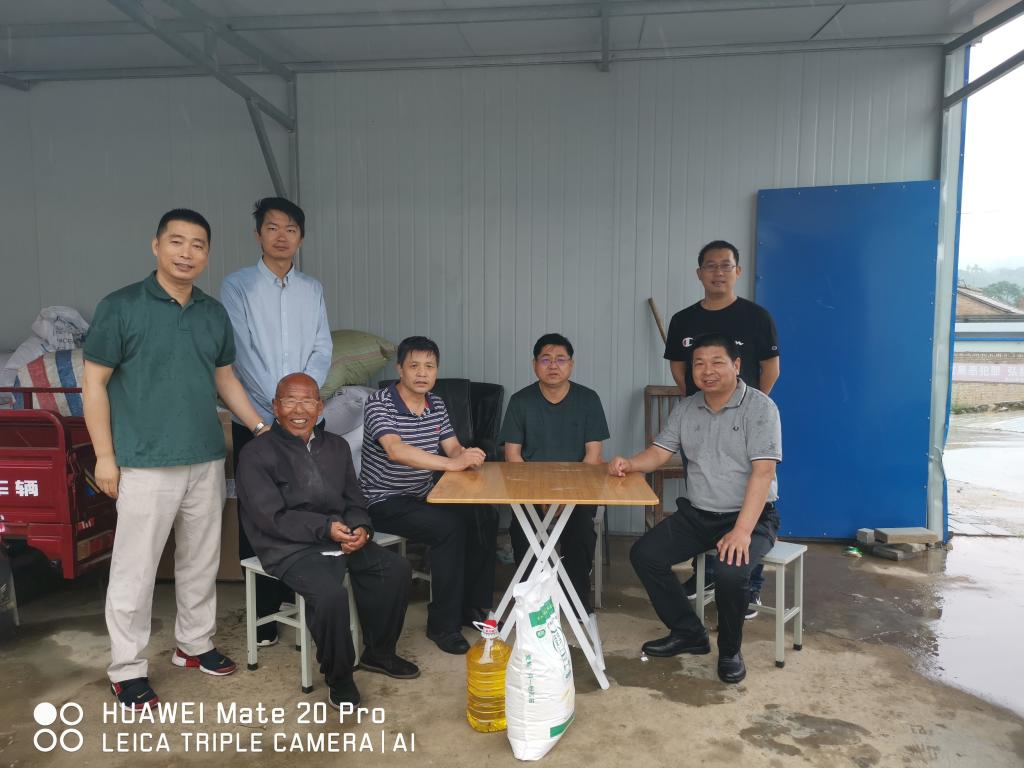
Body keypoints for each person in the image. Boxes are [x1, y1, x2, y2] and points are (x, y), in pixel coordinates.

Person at [82, 209, 269, 710]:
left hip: (205, 457)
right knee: (135, 570)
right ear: (156, 246)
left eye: (198, 244)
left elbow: (225, 378)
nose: (187, 253)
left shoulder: (212, 313)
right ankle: (126, 668)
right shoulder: (121, 307)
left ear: (208, 253)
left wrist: (260, 428)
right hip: (144, 462)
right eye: (177, 241)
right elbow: (94, 384)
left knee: (200, 560)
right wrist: (105, 457)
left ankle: (194, 644)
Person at [236, 374, 418, 708]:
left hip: (338, 535)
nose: (299, 410)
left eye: (307, 401)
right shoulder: (256, 453)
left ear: (320, 407)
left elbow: (354, 499)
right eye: (289, 401)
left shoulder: (335, 446)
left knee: (395, 570)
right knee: (330, 596)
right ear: (275, 407)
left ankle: (379, 652)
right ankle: (340, 677)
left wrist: (361, 528)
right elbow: (270, 517)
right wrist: (326, 528)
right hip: (287, 546)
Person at [610, 334, 781, 684]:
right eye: (699, 364)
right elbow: (659, 452)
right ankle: (688, 632)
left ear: (736, 365)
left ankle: (730, 650)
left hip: (750, 516)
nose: (707, 370)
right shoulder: (687, 408)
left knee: (731, 574)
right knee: (645, 554)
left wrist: (741, 531)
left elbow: (764, 473)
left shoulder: (760, 407)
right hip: (699, 513)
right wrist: (630, 463)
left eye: (717, 362)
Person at [221, 197, 333, 646]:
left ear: (301, 238)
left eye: (290, 229)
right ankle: (265, 615)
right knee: (260, 512)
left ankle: (305, 601)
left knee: (309, 505)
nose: (281, 236)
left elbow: (322, 347)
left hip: (305, 419)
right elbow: (239, 351)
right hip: (257, 418)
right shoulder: (238, 286)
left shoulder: (312, 289)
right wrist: (281, 406)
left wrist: (302, 404)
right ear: (258, 235)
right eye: (272, 228)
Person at [360, 336, 498, 655]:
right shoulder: (379, 402)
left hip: (422, 495)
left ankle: (473, 607)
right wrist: (452, 463)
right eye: (414, 366)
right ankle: (443, 625)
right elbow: (396, 450)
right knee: (448, 528)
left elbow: (452, 446)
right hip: (383, 500)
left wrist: (467, 455)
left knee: (484, 515)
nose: (422, 373)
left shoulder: (436, 403)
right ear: (400, 369)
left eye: (430, 366)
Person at [663, 239, 780, 617]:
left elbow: (771, 369)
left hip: (744, 424)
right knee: (704, 499)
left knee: (750, 496)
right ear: (699, 273)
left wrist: (747, 409)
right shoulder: (683, 320)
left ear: (737, 271)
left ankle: (749, 583)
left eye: (725, 265)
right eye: (710, 266)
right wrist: (698, 402)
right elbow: (679, 367)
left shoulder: (757, 317)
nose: (718, 273)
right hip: (699, 420)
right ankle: (707, 575)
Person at [498, 333, 609, 616]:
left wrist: (566, 498)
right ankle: (532, 602)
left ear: (571, 364)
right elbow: (513, 457)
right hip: (530, 488)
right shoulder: (521, 401)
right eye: (545, 359)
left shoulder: (588, 399)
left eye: (560, 359)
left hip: (578, 489)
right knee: (523, 528)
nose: (553, 366)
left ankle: (576, 602)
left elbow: (593, 457)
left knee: (580, 528)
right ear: (535, 365)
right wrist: (538, 495)